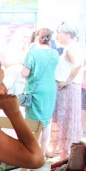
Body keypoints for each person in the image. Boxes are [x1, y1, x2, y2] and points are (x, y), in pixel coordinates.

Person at [21, 28, 59, 156]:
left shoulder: (32, 53)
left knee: (32, 122)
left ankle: (32, 151)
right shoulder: (54, 53)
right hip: (50, 90)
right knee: (45, 122)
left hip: (35, 90)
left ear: (37, 38)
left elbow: (24, 73)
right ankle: (42, 152)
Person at [49, 23, 84, 158]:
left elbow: (78, 64)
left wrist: (68, 80)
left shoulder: (71, 48)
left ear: (68, 34)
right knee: (61, 119)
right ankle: (59, 149)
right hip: (65, 88)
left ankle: (65, 150)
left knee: (65, 120)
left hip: (67, 89)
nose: (57, 35)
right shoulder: (69, 48)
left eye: (60, 32)